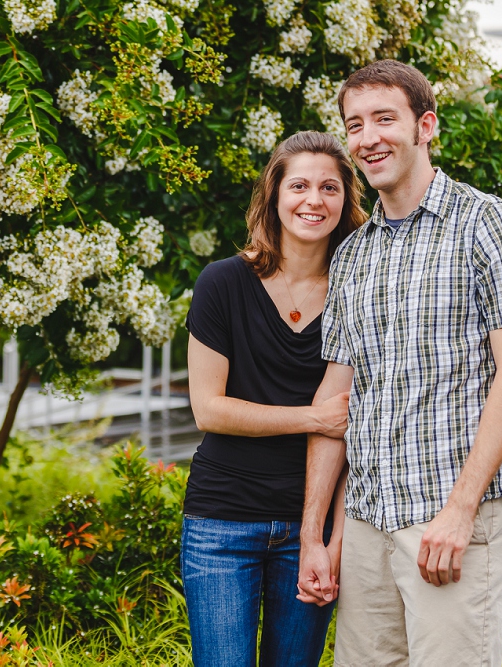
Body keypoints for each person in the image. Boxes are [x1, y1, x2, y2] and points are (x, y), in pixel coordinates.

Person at [296, 60, 502, 666]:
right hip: (367, 525)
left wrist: (460, 512)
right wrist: (319, 536)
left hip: (451, 519)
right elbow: (336, 398)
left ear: (425, 125)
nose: (368, 137)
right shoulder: (354, 254)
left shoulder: (488, 225)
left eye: (385, 118)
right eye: (354, 125)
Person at [182, 131, 368, 667]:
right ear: (275, 194)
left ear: (345, 200)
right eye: (300, 185)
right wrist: (314, 416)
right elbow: (209, 409)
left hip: (309, 530)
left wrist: (333, 542)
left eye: (330, 187)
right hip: (222, 522)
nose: (315, 200)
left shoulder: (359, 291)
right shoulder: (222, 283)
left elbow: (357, 432)